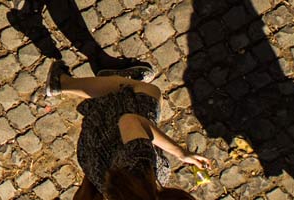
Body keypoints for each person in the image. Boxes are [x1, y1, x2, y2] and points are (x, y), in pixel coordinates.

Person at [41, 62, 210, 200]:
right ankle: (113, 88)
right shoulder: (136, 190)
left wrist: (180, 153)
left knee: (150, 93)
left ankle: (62, 83)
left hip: (102, 136)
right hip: (94, 164)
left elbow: (129, 120)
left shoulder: (140, 168)